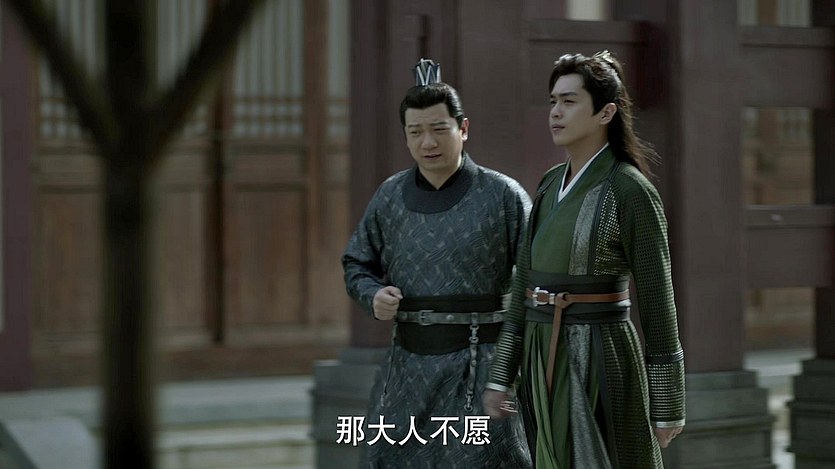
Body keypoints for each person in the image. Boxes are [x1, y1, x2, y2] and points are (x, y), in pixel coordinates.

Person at [484, 51, 685, 469]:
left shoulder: (629, 190)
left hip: (599, 353)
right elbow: (524, 283)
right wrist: (502, 374)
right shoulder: (548, 184)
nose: (555, 112)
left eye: (569, 101)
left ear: (605, 113)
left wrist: (667, 402)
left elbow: (657, 300)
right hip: (540, 350)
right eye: (553, 101)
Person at [342, 59, 533, 468]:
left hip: (482, 362)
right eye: (415, 132)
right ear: (405, 136)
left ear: (463, 129)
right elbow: (356, 261)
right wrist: (372, 295)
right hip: (406, 365)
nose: (427, 142)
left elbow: (536, 278)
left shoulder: (503, 195)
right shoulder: (389, 196)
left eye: (439, 129)